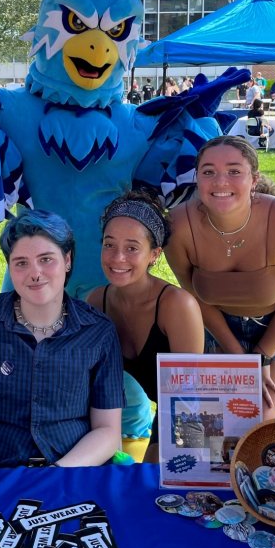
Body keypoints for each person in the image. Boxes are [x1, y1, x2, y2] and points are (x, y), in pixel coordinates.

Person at [0, 210, 123, 490]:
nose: (35, 273)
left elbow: (108, 431)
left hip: (73, 473)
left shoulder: (98, 331)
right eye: (21, 263)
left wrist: (56, 474)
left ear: (67, 260)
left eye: (46, 259)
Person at [165, 136, 275, 419]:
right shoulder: (177, 226)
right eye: (209, 172)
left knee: (264, 415)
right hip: (219, 323)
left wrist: (261, 357)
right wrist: (238, 357)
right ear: (197, 179)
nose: (221, 182)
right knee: (216, 417)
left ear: (254, 179)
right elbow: (197, 299)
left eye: (234, 171)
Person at [86, 191, 203, 461]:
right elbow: (89, 382)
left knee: (152, 481)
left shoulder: (176, 306)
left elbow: (189, 400)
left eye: (132, 248)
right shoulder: (96, 301)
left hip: (194, 416)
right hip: (156, 413)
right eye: (109, 244)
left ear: (154, 254)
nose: (117, 258)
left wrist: (163, 457)